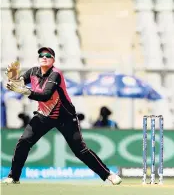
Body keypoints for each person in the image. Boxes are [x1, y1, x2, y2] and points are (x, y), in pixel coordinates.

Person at [3, 47, 121, 185]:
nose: (44, 57)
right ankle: (14, 177)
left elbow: (46, 95)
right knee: (24, 142)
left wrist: (23, 90)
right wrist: (13, 77)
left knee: (80, 150)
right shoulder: (33, 71)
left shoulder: (56, 74)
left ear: (53, 60)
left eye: (48, 55)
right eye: (41, 55)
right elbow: (17, 84)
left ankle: (108, 175)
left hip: (65, 117)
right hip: (44, 115)